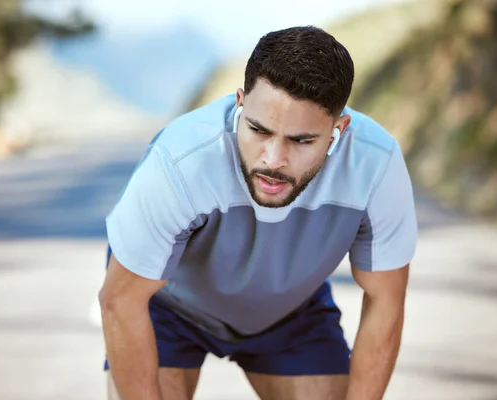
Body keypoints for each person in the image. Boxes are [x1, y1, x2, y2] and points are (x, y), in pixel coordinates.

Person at [99, 25, 417, 400]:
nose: (273, 159)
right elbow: (121, 300)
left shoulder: (375, 165)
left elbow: (386, 300)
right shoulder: (181, 162)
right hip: (167, 309)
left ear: (339, 129)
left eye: (301, 140)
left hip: (290, 315)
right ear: (240, 103)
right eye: (258, 129)